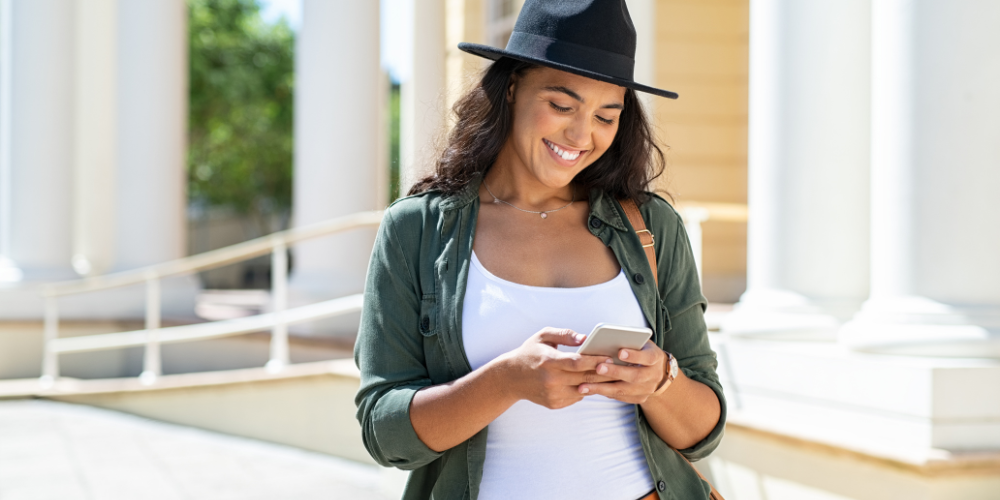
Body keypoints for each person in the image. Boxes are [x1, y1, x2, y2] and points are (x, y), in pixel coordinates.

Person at [354, 1, 725, 499]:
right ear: (511, 88)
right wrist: (507, 381)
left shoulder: (652, 226)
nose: (581, 135)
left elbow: (702, 432)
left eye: (605, 116)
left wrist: (660, 381)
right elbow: (385, 435)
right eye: (562, 105)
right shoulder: (416, 230)